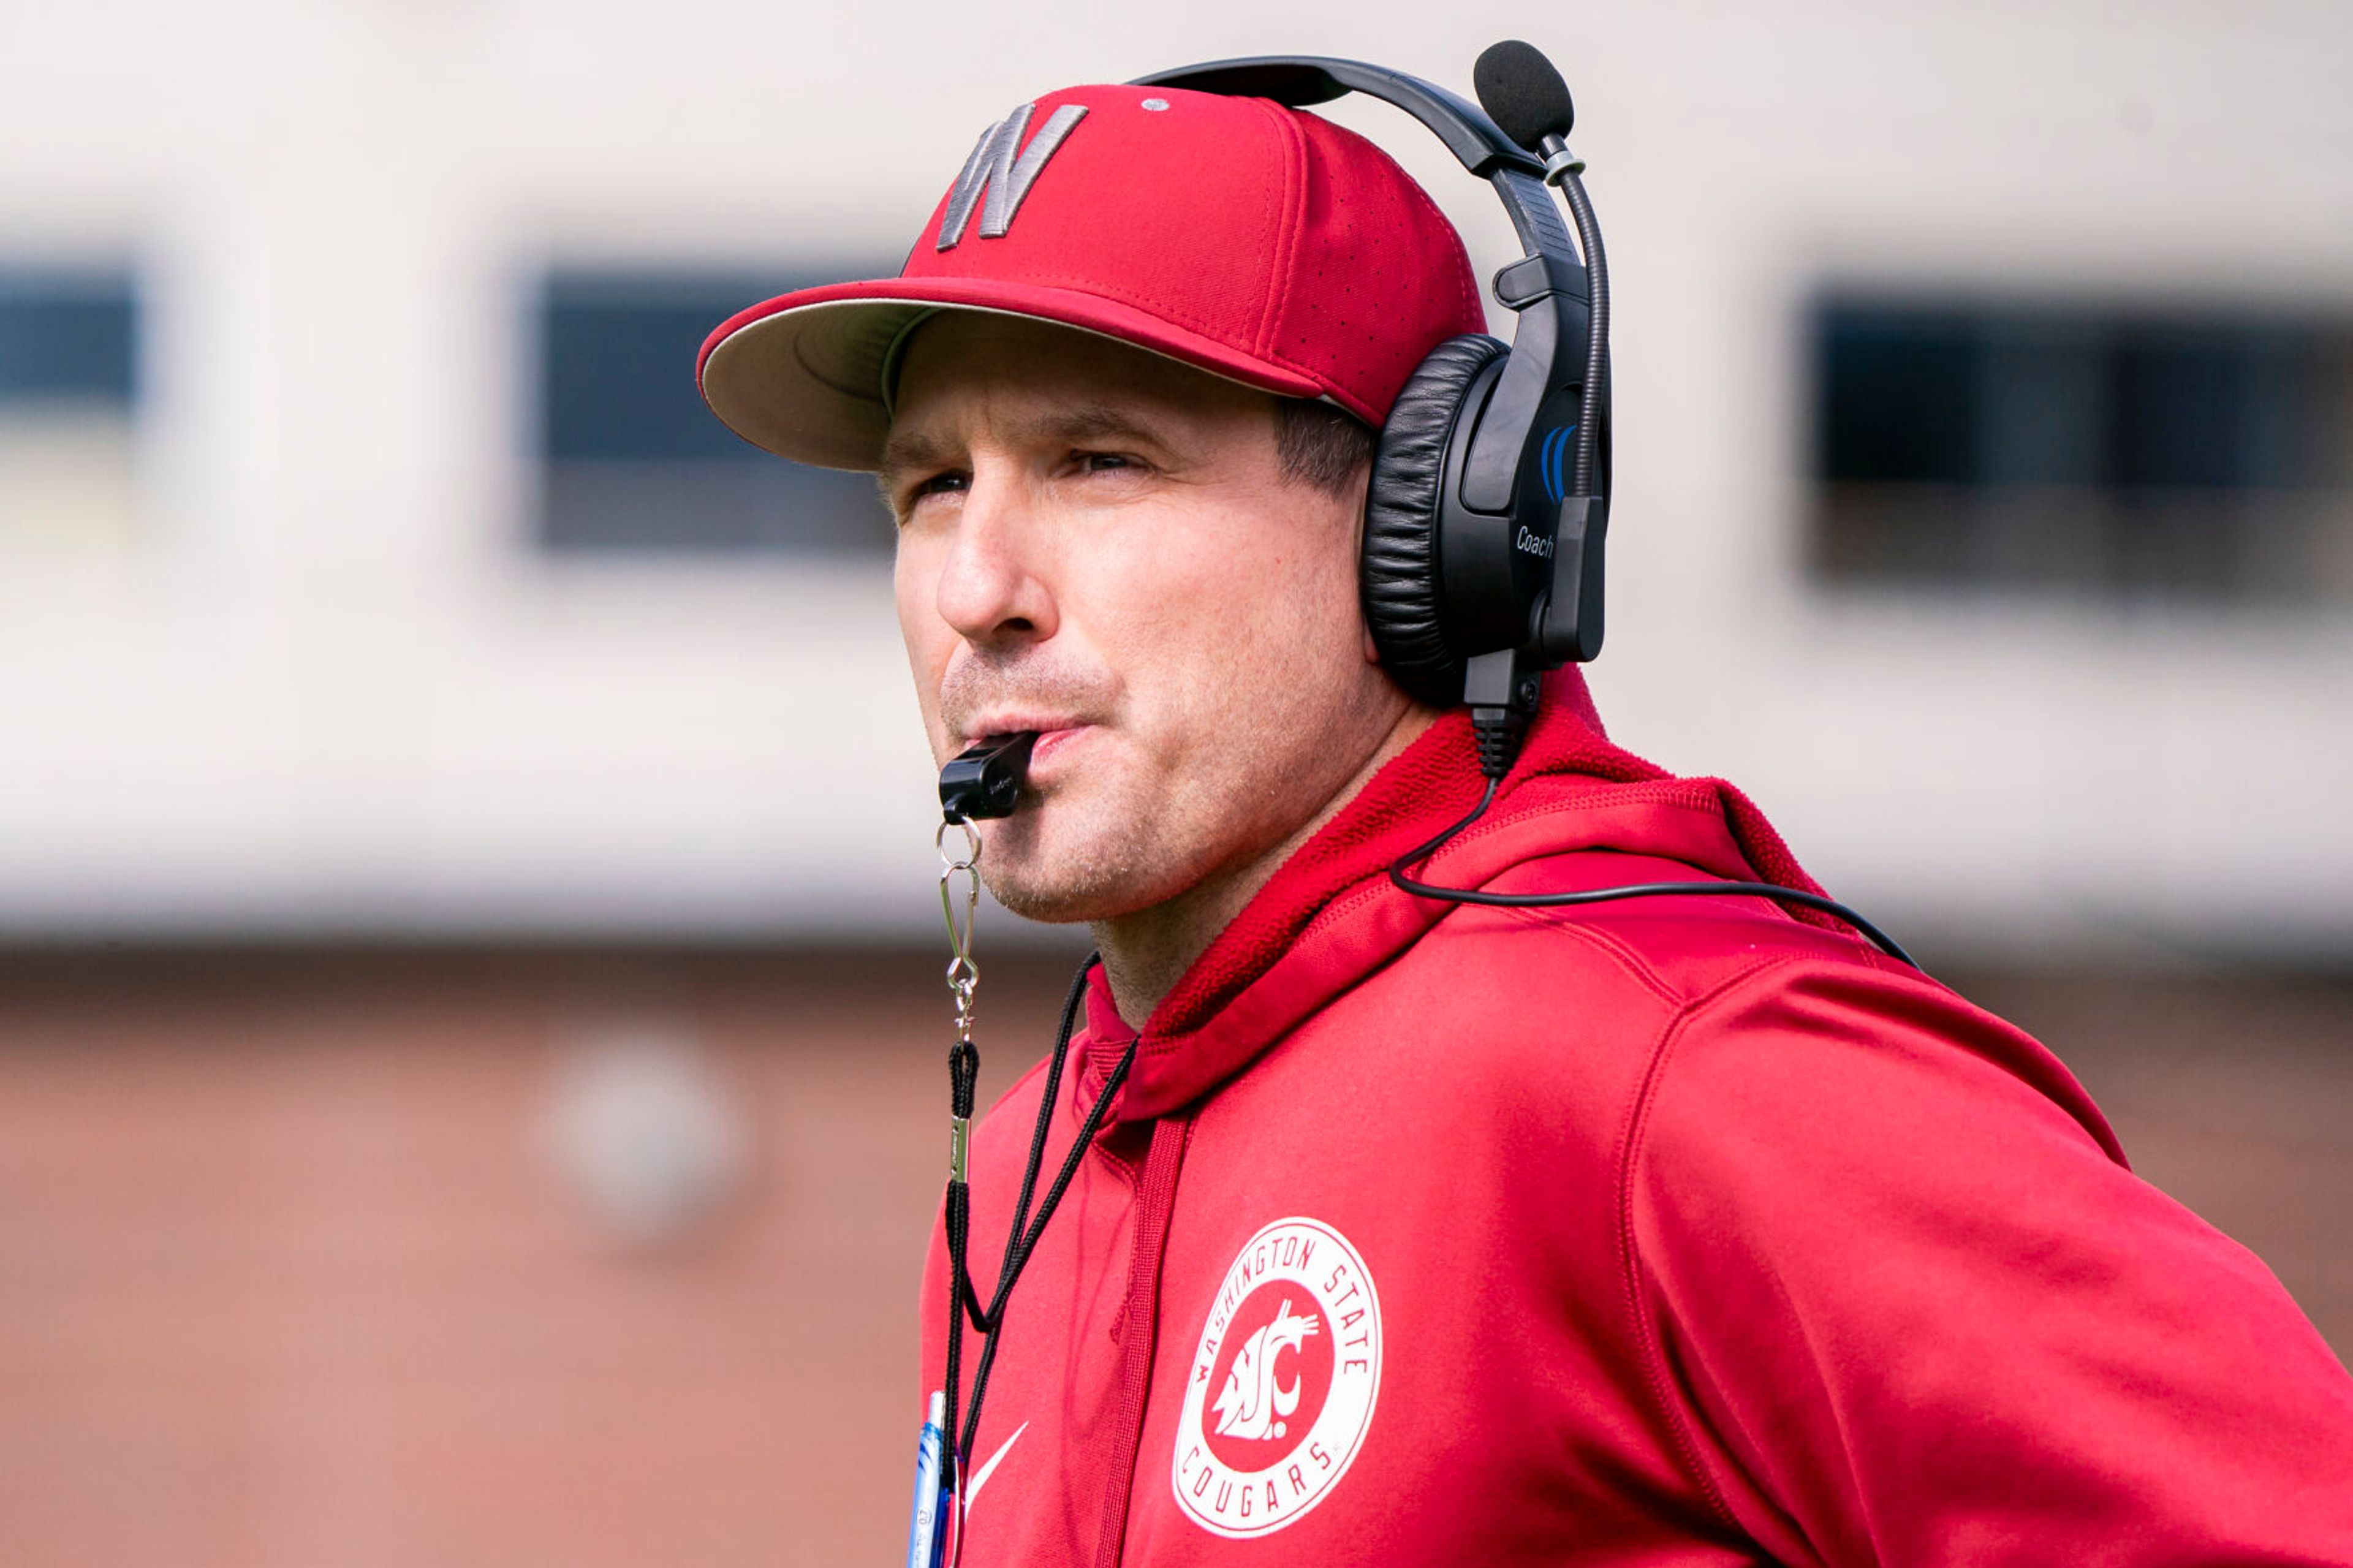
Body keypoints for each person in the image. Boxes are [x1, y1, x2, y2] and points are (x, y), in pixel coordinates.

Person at [697, 66, 2353, 1567]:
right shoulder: (1029, 1160)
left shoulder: (1688, 1068)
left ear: (1435, 512)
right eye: (932, 487)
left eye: (1099, 461)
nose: (976, 589)